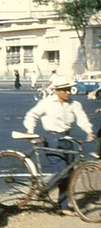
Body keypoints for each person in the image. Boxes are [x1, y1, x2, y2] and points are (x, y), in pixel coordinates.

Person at [23, 77, 94, 215]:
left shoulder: (74, 104)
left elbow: (82, 118)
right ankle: (50, 193)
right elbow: (32, 115)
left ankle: (63, 205)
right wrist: (30, 130)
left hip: (68, 139)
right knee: (63, 171)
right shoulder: (47, 103)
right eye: (65, 90)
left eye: (69, 89)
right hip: (53, 138)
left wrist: (89, 131)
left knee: (69, 173)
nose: (68, 92)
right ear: (57, 91)